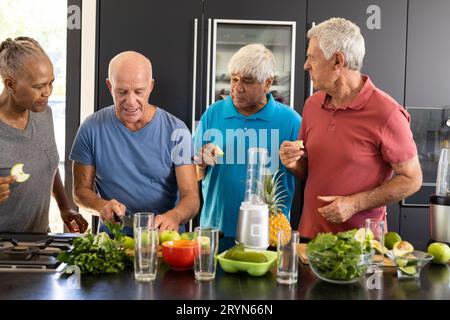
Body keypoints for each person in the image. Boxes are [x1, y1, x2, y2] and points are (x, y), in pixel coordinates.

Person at [279, 18, 422, 239]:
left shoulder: (388, 113)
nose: (306, 65)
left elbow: (412, 179)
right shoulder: (312, 105)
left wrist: (355, 203)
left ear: (337, 61)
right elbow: (309, 171)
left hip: (360, 247)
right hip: (309, 239)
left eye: (311, 58)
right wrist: (294, 163)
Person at [70, 51, 199, 235]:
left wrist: (175, 216)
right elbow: (80, 191)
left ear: (151, 86)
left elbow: (191, 196)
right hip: (113, 245)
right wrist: (102, 206)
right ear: (109, 86)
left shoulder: (177, 131)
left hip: (164, 242)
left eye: (139, 91)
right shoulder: (91, 128)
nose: (130, 102)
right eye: (122, 92)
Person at [194, 44, 302, 237]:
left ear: (268, 83)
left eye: (247, 81)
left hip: (268, 234)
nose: (237, 88)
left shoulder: (291, 121)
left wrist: (295, 164)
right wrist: (201, 163)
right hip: (215, 232)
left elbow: (307, 176)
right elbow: (194, 175)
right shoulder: (213, 114)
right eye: (234, 79)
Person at [0, 37, 88, 233]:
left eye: (51, 83)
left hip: (38, 243)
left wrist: (65, 208)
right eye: (38, 87)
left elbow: (47, 162)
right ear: (10, 84)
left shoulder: (42, 113)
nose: (47, 92)